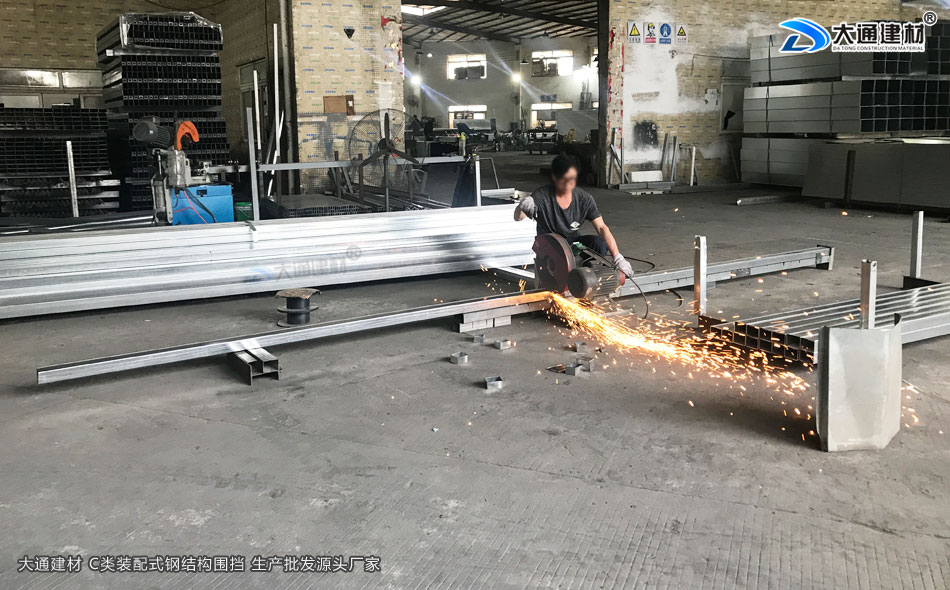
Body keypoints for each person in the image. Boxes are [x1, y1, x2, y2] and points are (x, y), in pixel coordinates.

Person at [514, 155, 635, 278]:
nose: (568, 183)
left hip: (571, 241)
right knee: (560, 252)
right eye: (564, 179)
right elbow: (518, 217)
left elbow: (601, 228)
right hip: (549, 244)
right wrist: (522, 206)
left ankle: (588, 276)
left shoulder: (584, 199)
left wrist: (618, 257)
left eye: (572, 178)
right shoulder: (542, 196)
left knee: (599, 243)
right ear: (555, 177)